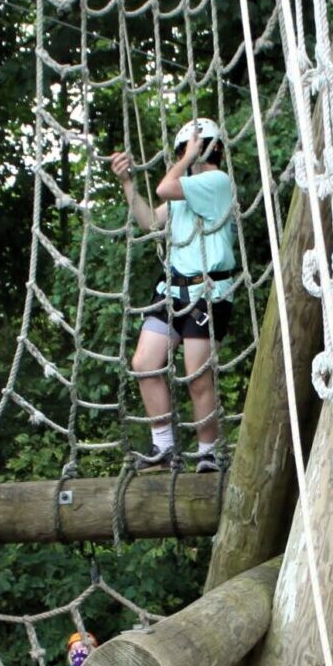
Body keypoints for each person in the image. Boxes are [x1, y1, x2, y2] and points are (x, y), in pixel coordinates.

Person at [109, 117, 239, 473]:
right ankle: (164, 449)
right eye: (183, 152)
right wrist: (127, 183)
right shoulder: (187, 191)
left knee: (196, 375)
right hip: (175, 290)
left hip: (208, 293)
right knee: (144, 363)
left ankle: (208, 451)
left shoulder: (215, 182)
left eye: (189, 151)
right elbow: (150, 220)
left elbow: (166, 187)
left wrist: (186, 160)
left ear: (205, 150)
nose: (184, 157)